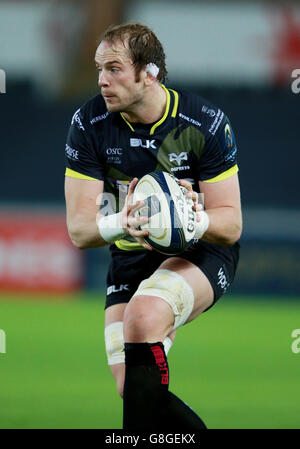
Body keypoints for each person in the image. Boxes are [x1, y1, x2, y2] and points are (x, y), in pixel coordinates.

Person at [64, 22, 242, 430]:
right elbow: (78, 229)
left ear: (149, 73)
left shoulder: (204, 122)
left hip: (198, 251)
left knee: (143, 318)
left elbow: (231, 224)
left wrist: (194, 219)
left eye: (114, 69)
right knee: (133, 386)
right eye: (98, 69)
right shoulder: (90, 123)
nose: (101, 81)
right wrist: (121, 223)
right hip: (128, 259)